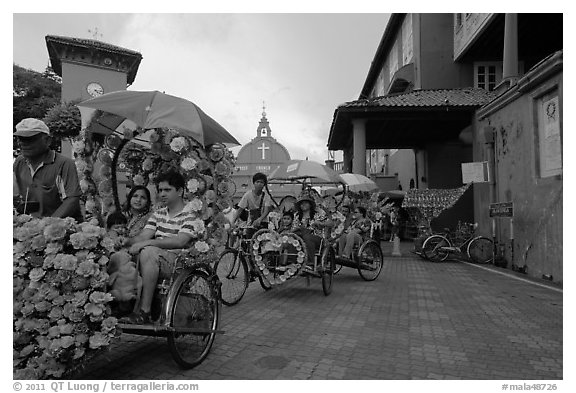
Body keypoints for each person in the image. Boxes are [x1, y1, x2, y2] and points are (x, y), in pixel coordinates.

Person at [124, 170, 197, 324]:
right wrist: (124, 241)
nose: (162, 194)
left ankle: (145, 310)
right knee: (123, 255)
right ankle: (121, 305)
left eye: (167, 190)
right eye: (160, 190)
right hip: (155, 258)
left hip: (177, 263)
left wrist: (148, 243)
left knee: (148, 251)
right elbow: (143, 236)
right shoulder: (158, 214)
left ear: (179, 191)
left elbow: (180, 241)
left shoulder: (190, 215)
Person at [13, 118, 82, 220]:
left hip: (63, 227)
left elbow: (72, 199)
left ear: (47, 140)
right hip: (30, 226)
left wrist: (48, 224)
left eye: (30, 139)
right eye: (21, 139)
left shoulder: (63, 163)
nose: (23, 143)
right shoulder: (20, 162)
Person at [292, 189, 331, 266]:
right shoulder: (296, 215)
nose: (303, 205)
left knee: (307, 237)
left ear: (310, 204)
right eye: (301, 204)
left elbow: (331, 223)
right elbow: (294, 228)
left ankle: (310, 261)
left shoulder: (318, 214)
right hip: (300, 238)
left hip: (317, 238)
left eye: (306, 203)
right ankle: (291, 261)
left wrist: (320, 223)